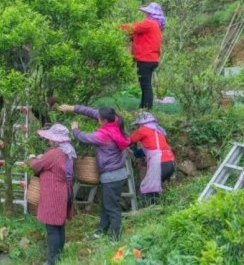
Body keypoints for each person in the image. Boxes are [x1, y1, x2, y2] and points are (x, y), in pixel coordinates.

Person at [58, 104, 130, 241]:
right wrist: (73, 108)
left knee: (112, 208)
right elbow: (92, 112)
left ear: (103, 121)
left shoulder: (104, 135)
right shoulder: (116, 121)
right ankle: (100, 232)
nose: (97, 119)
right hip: (117, 174)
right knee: (107, 205)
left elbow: (85, 138)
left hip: (112, 176)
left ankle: (115, 238)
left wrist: (75, 129)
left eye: (99, 118)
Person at [28, 123, 75, 265]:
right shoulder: (68, 151)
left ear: (56, 139)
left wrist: (31, 157)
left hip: (55, 195)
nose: (49, 140)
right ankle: (59, 258)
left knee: (52, 228)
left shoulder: (55, 153)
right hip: (65, 193)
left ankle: (52, 261)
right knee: (59, 226)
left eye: (50, 138)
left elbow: (36, 165)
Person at [120, 2, 166, 109]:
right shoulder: (156, 25)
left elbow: (132, 27)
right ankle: (144, 107)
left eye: (147, 13)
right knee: (146, 84)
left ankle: (146, 108)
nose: (145, 15)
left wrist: (114, 26)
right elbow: (138, 35)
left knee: (145, 85)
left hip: (146, 59)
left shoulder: (149, 23)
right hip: (151, 59)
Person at [130, 111, 175, 204]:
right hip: (170, 163)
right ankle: (157, 208)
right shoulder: (157, 131)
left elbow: (129, 140)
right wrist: (135, 154)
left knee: (148, 187)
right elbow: (147, 150)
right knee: (153, 188)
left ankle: (148, 209)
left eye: (138, 125)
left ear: (141, 123)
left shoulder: (143, 130)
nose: (137, 127)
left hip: (161, 162)